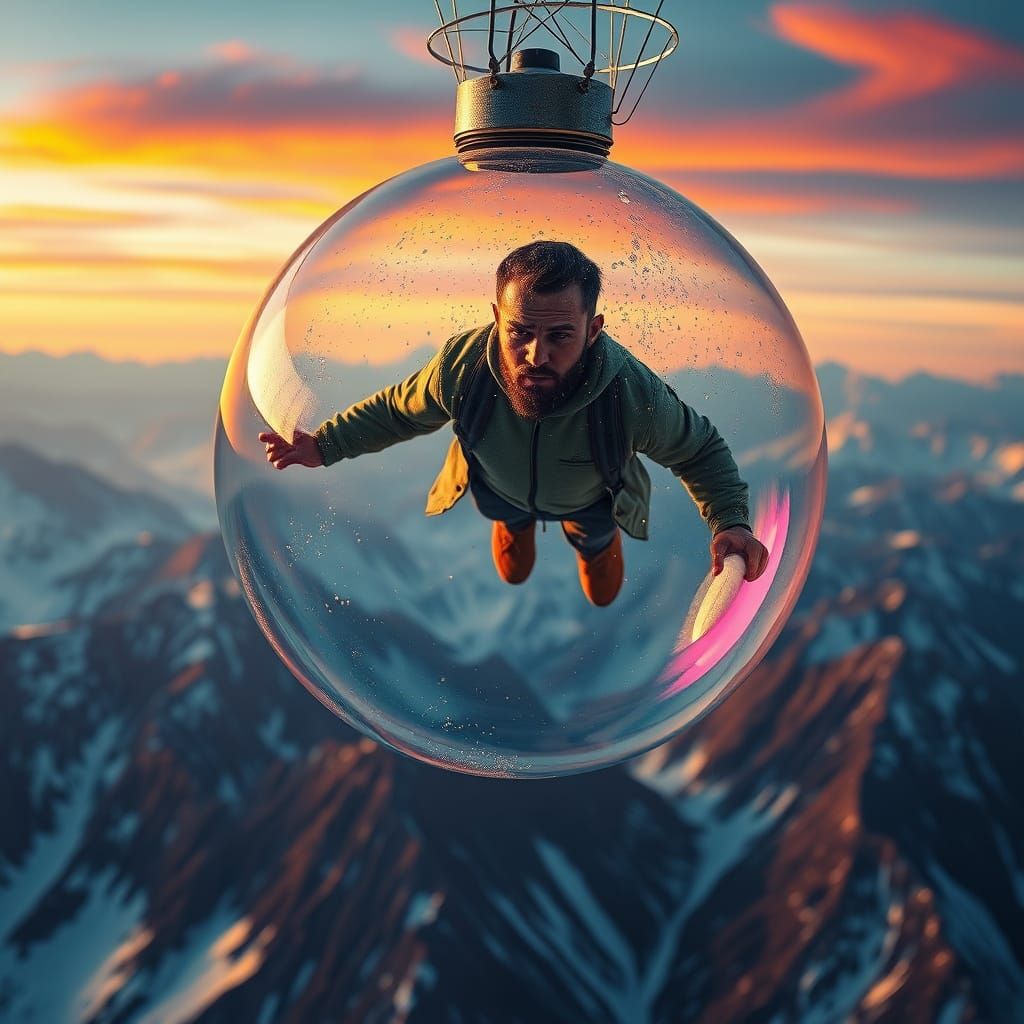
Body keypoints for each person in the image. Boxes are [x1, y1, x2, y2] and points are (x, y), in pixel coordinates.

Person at [259, 241, 769, 607]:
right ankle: (515, 523)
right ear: (496, 318)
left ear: (593, 331)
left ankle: (594, 542)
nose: (535, 354)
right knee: (514, 564)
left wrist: (730, 522)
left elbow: (698, 450)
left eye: (559, 335)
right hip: (496, 488)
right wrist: (322, 445)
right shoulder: (465, 368)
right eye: (519, 331)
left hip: (591, 500)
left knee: (602, 590)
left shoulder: (628, 393)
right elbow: (398, 410)